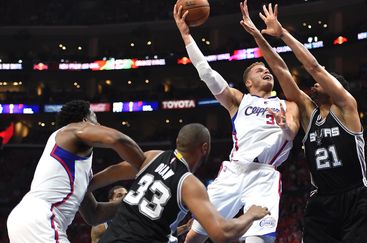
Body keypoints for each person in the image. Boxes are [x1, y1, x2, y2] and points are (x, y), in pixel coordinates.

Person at [239, 1, 367, 242]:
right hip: (321, 201)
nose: (314, 83)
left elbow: (313, 67)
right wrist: (257, 37)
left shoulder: (346, 108)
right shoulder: (308, 113)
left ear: (335, 88)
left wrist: (282, 34)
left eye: (321, 82)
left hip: (355, 197)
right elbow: (281, 70)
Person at [173, 4, 301, 243]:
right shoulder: (238, 100)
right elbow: (207, 73)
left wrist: (284, 125)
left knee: (257, 240)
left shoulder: (288, 104)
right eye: (259, 70)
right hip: (233, 171)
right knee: (195, 237)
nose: (266, 72)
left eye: (267, 70)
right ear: (248, 83)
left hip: (264, 176)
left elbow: (292, 132)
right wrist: (186, 35)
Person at [86, 123, 270, 243]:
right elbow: (221, 233)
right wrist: (251, 215)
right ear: (204, 148)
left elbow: (115, 171)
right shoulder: (190, 184)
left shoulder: (152, 156)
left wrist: (87, 185)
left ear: (178, 142)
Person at [7, 100, 146, 243]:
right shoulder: (72, 129)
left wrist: (133, 202)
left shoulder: (75, 167)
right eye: (95, 118)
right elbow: (117, 139)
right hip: (42, 218)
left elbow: (94, 214)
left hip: (28, 219)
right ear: (85, 121)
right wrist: (148, 167)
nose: (99, 125)